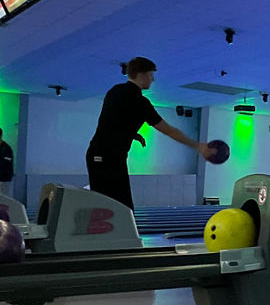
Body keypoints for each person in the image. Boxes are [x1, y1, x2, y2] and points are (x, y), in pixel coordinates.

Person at [86, 57, 215, 209]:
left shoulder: (114, 91)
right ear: (141, 74)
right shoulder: (140, 102)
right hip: (109, 159)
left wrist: (133, 135)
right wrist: (197, 145)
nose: (152, 79)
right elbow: (169, 131)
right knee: (120, 209)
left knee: (106, 207)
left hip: (97, 155)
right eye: (150, 75)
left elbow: (111, 121)